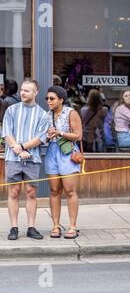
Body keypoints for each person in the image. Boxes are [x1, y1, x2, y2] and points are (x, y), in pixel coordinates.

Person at [1, 79, 49, 240]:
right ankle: (14, 227)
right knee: (13, 192)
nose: (22, 93)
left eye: (27, 90)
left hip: (32, 159)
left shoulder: (42, 114)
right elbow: (6, 132)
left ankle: (31, 227)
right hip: (13, 158)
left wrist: (21, 147)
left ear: (35, 93)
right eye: (22, 90)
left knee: (31, 193)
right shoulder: (11, 110)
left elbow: (40, 138)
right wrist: (17, 148)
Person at [45, 86, 83, 239]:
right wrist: (47, 136)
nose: (48, 101)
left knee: (70, 191)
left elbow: (78, 135)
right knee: (54, 190)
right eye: (47, 98)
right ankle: (55, 225)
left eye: (51, 98)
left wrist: (60, 133)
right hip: (52, 152)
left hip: (67, 152)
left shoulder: (71, 113)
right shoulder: (47, 115)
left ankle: (72, 226)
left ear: (61, 99)